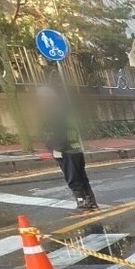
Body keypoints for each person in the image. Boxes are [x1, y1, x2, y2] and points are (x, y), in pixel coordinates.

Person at [37, 82, 99, 211]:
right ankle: (90, 201)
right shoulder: (64, 110)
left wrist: (56, 148)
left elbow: (58, 132)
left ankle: (82, 203)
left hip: (66, 150)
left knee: (73, 178)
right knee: (81, 177)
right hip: (75, 148)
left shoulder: (53, 112)